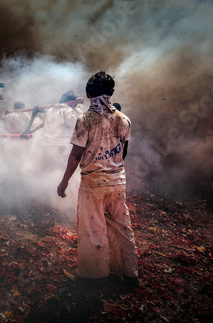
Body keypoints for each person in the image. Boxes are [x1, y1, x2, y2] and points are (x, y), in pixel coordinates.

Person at [57, 71, 139, 285]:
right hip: (118, 181)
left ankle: (96, 275)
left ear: (88, 93)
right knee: (122, 225)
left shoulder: (86, 120)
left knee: (94, 229)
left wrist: (64, 181)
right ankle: (130, 272)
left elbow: (76, 155)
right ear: (111, 92)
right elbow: (124, 153)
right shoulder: (124, 119)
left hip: (93, 183)